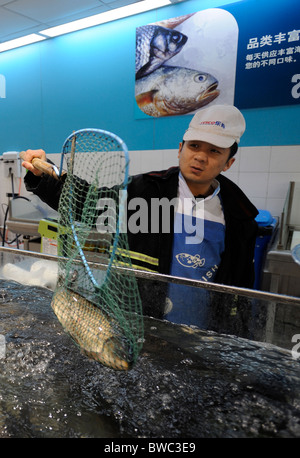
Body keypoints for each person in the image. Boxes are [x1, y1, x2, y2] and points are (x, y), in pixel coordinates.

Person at [21, 105, 258, 331]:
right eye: (194, 146)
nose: (200, 157)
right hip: (139, 325)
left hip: (201, 333)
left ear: (228, 163)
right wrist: (46, 175)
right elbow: (87, 204)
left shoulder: (239, 215)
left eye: (214, 151)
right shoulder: (145, 193)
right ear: (180, 149)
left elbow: (241, 291)